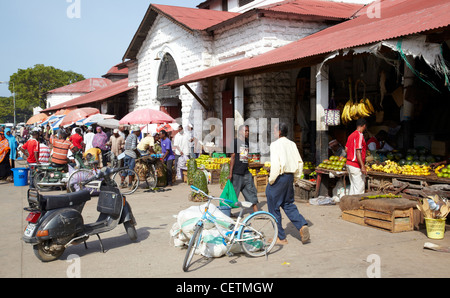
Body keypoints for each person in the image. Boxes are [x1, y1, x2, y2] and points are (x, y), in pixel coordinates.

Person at [266, 122, 310, 245]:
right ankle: (301, 225)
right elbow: (299, 162)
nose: (274, 133)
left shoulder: (275, 145)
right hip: (289, 177)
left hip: (279, 177)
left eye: (275, 130)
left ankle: (280, 237)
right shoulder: (292, 144)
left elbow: (276, 164)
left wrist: (271, 180)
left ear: (279, 131)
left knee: (273, 207)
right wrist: (295, 178)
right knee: (288, 204)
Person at [228, 125, 259, 213]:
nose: (247, 133)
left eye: (248, 131)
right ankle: (227, 213)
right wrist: (230, 173)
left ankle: (256, 212)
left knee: (251, 191)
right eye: (245, 131)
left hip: (246, 172)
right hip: (236, 173)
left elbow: (245, 157)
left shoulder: (246, 142)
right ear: (240, 132)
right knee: (233, 195)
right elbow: (233, 157)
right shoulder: (234, 142)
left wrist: (248, 167)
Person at [345, 118, 368, 195]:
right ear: (364, 126)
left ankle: (351, 205)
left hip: (349, 164)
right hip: (355, 165)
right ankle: (358, 205)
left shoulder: (351, 135)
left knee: (353, 187)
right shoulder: (359, 135)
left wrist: (351, 153)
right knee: (359, 188)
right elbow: (358, 152)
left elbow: (346, 149)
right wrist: (362, 166)